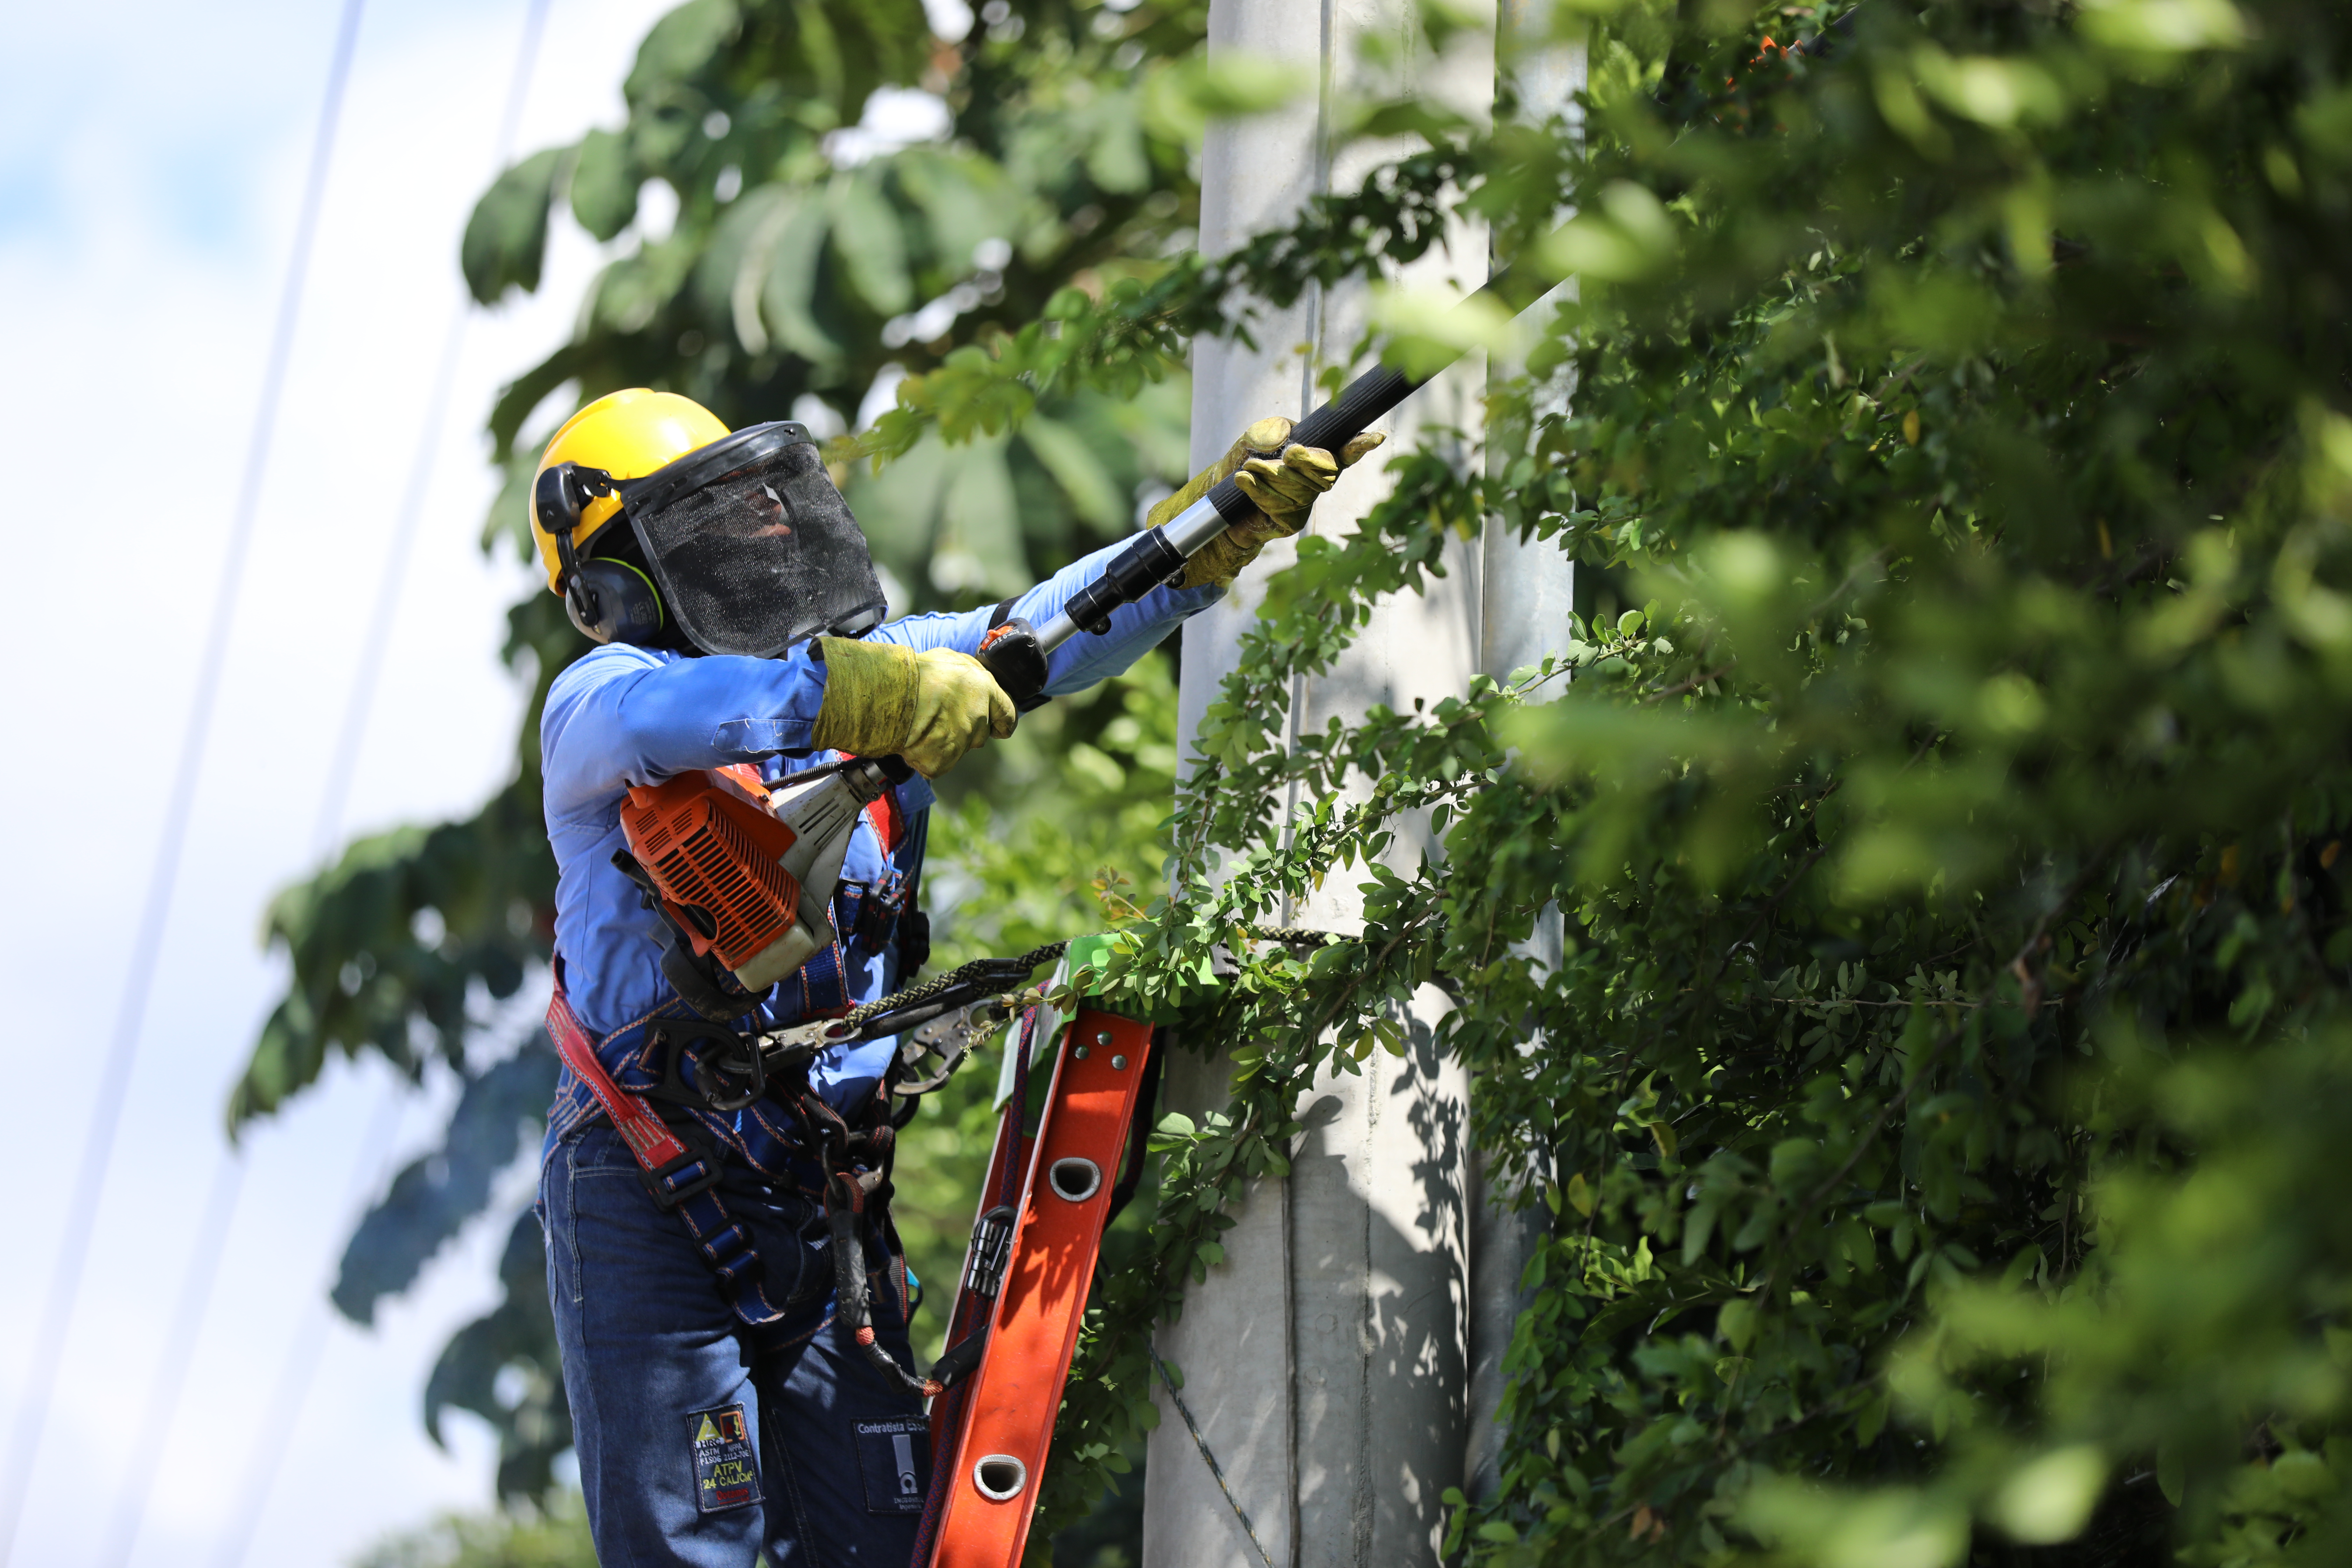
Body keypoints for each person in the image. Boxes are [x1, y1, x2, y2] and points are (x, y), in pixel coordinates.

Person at [527, 386, 1380, 1565]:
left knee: (891, 1540)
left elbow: (1038, 631)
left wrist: (1200, 541)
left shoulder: (867, 672)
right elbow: (678, 714)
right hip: (646, 1179)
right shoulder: (601, 707)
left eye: (754, 503)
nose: (759, 530)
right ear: (614, 587)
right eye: (705, 518)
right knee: (694, 1542)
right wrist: (860, 695)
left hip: (812, 1187)